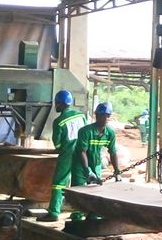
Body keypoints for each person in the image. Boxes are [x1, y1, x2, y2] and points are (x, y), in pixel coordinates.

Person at [40, 90, 87, 222]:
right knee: (78, 183)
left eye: (56, 103)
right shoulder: (81, 115)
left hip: (68, 153)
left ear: (60, 103)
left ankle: (54, 212)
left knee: (59, 183)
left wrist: (63, 149)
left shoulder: (59, 121)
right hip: (82, 152)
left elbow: (58, 143)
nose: (55, 105)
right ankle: (78, 213)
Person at [75, 102, 122, 187]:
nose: (107, 118)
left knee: (95, 190)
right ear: (97, 116)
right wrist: (87, 170)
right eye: (104, 115)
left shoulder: (110, 133)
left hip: (96, 165)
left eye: (108, 116)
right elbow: (82, 152)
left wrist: (117, 171)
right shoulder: (85, 131)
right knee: (78, 190)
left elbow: (113, 152)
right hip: (81, 166)